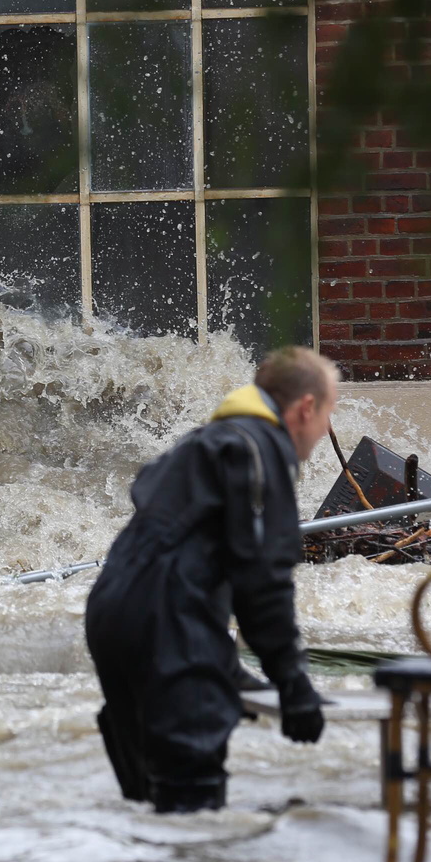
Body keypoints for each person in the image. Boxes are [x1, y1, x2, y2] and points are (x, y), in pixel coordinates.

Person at [85, 346, 339, 813]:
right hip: (168, 624)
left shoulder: (202, 442)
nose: (325, 430)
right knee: (192, 802)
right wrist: (292, 680)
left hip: (110, 614)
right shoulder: (262, 450)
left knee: (148, 799)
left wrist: (224, 669)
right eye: (328, 413)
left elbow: (182, 552)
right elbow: (262, 580)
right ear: (306, 408)